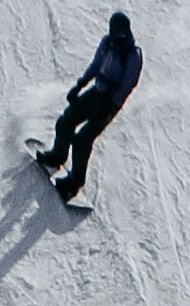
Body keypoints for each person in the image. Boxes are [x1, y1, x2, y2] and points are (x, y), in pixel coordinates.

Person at [35, 12, 142, 204]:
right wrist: (80, 85)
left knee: (82, 140)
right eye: (115, 31)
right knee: (66, 120)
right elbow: (96, 65)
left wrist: (110, 107)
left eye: (121, 32)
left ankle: (74, 183)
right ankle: (57, 155)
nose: (118, 36)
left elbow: (128, 84)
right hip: (96, 92)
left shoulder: (133, 56)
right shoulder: (107, 43)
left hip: (110, 102)